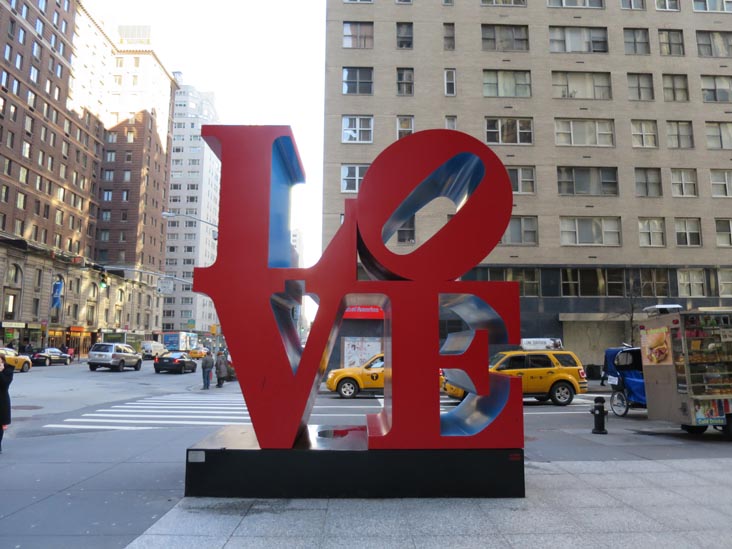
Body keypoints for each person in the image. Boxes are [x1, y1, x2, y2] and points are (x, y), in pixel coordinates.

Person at [0, 355, 14, 453]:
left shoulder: (8, 371)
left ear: (3, 362)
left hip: (1, 401)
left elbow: (4, 384)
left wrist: (0, 372)